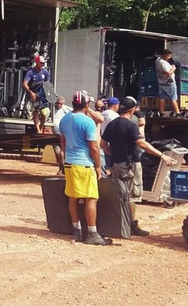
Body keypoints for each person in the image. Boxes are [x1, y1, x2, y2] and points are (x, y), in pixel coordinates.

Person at [101, 97, 176, 237]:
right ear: (132, 110)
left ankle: (119, 223)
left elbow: (103, 144)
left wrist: (114, 154)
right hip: (130, 165)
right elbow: (141, 143)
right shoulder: (131, 126)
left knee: (119, 194)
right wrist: (162, 155)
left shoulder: (112, 124)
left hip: (116, 165)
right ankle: (131, 226)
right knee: (132, 196)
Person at [59, 90, 110, 246]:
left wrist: (64, 159)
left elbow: (63, 143)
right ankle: (92, 233)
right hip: (84, 164)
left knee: (73, 197)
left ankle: (77, 231)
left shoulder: (64, 120)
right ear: (87, 104)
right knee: (91, 198)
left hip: (70, 163)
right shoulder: (87, 122)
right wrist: (98, 166)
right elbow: (94, 147)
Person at [22, 55, 51, 132]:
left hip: (42, 94)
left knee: (44, 112)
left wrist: (49, 94)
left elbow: (48, 84)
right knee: (36, 110)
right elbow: (25, 84)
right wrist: (31, 93)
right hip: (34, 94)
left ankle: (41, 128)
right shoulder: (30, 72)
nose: (43, 64)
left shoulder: (45, 72)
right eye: (41, 63)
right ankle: (38, 129)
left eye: (43, 63)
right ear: (37, 62)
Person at [155, 49, 180, 117]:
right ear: (164, 55)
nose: (169, 57)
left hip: (161, 82)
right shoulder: (163, 63)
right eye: (168, 56)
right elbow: (168, 73)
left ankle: (161, 113)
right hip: (169, 82)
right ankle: (178, 113)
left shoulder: (158, 60)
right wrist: (173, 68)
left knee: (162, 97)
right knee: (173, 98)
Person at [52, 96, 73, 174]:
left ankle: (64, 169)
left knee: (64, 152)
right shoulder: (51, 109)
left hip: (64, 135)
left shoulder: (66, 109)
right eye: (58, 103)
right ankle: (61, 167)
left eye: (61, 104)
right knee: (57, 152)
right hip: (54, 135)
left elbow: (75, 114)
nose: (59, 105)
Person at [100, 97, 120, 168]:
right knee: (113, 166)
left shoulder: (102, 114)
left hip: (103, 142)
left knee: (106, 165)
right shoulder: (115, 116)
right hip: (112, 144)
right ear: (115, 106)